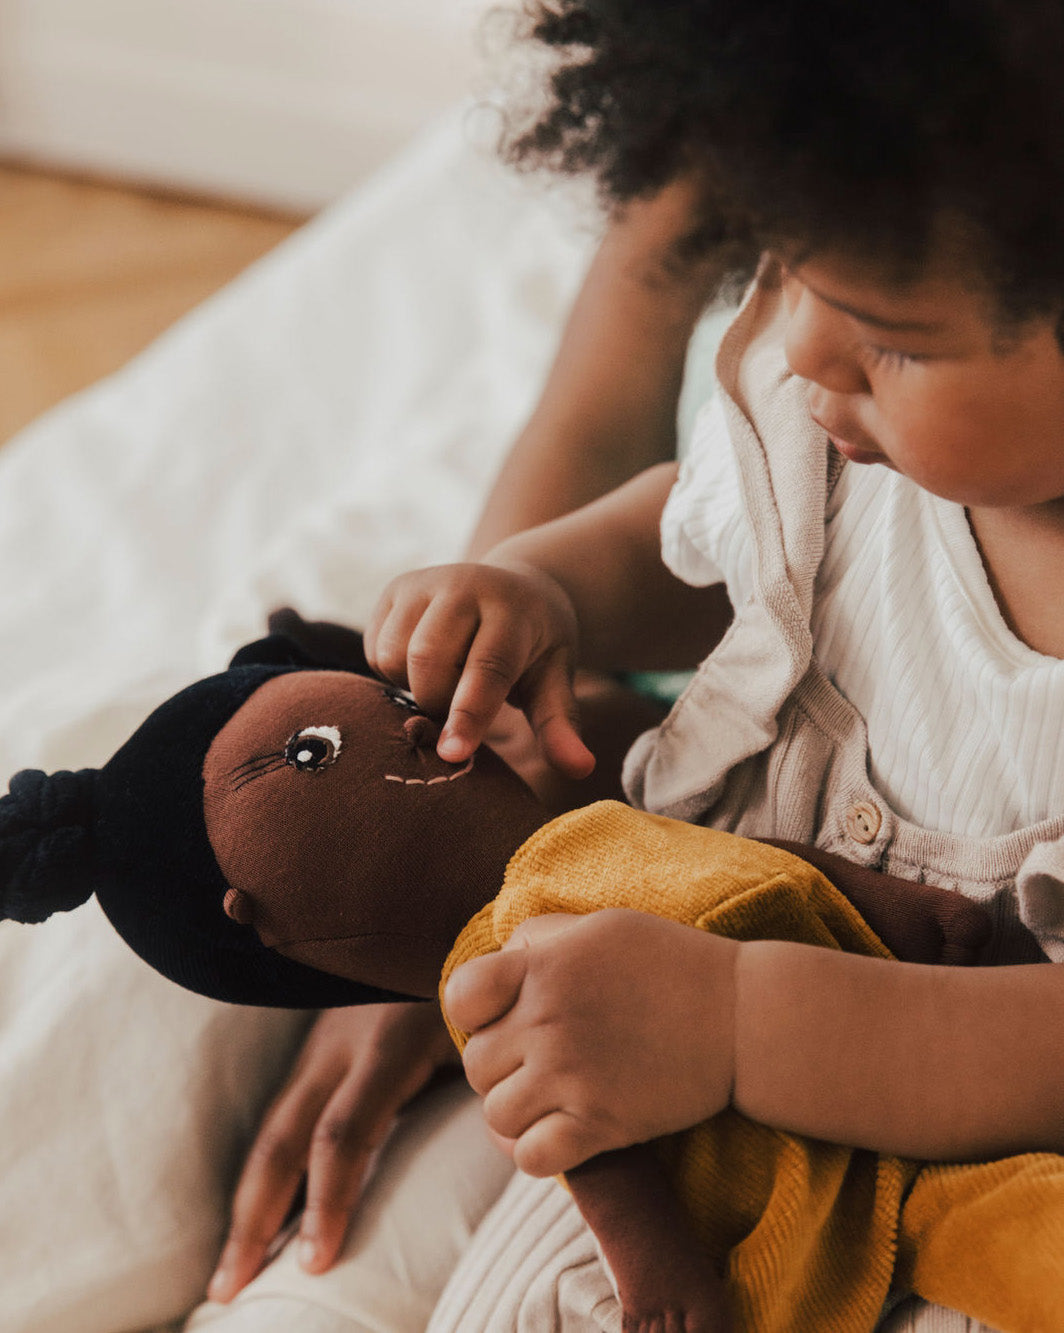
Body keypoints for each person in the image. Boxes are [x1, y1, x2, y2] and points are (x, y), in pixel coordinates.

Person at [216, 0, 1064, 1326]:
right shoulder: (835, 415)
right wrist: (551, 587)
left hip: (986, 1184)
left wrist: (739, 1027)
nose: (801, 352)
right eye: (785, 273)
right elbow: (715, 549)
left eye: (895, 335)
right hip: (666, 1096)